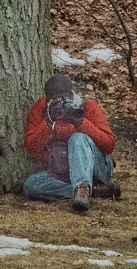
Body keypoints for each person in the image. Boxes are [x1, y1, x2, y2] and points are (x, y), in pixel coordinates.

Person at [23, 74, 120, 211]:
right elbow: (31, 147)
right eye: (54, 101)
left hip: (97, 168)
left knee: (77, 138)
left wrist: (80, 122)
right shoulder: (41, 110)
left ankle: (83, 187)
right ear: (47, 100)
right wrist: (48, 123)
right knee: (31, 186)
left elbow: (109, 145)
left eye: (64, 99)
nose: (60, 103)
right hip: (63, 170)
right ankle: (94, 191)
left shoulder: (87, 107)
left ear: (72, 96)